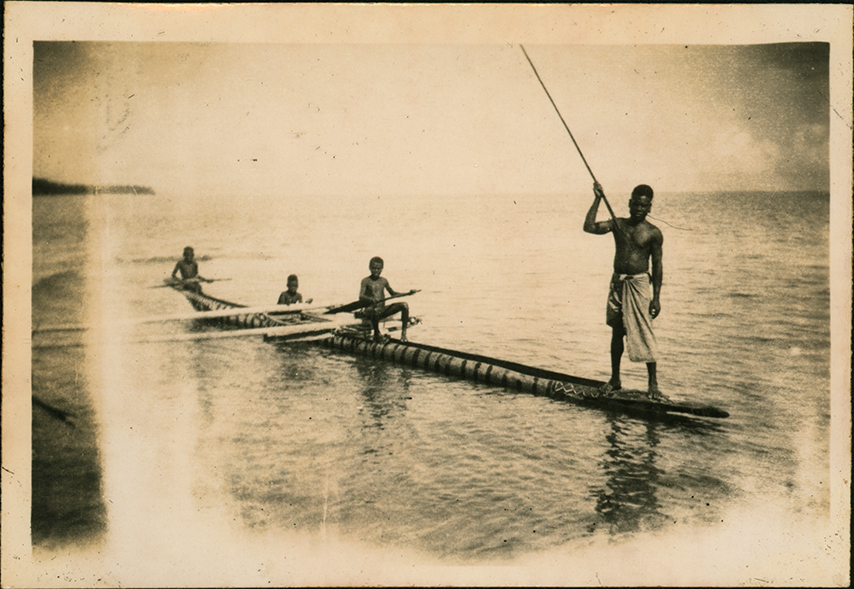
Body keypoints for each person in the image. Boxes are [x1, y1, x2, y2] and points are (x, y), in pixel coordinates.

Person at [583, 182, 665, 400]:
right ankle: (615, 380)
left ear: (649, 208)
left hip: (638, 286)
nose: (638, 208)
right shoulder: (618, 224)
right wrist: (598, 198)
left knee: (645, 332)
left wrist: (656, 298)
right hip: (618, 283)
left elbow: (657, 266)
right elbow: (589, 227)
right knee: (617, 331)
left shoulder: (653, 233)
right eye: (635, 204)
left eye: (643, 205)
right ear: (630, 203)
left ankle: (653, 385)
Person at [359, 256, 416, 343]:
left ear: (382, 269)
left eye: (378, 269)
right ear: (369, 268)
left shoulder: (384, 281)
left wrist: (408, 293)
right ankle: (376, 334)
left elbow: (393, 294)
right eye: (374, 268)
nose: (376, 271)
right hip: (370, 311)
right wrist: (370, 300)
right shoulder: (365, 281)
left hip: (382, 310)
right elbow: (361, 296)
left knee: (404, 305)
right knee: (374, 310)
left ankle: (403, 334)